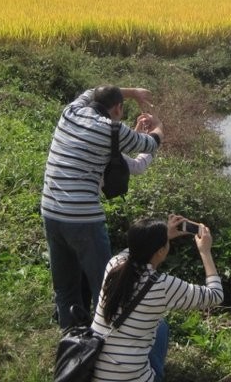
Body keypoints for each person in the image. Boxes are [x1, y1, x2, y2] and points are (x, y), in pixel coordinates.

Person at [41, 85, 164, 329]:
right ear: (118, 109)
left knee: (65, 289)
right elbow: (150, 144)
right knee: (105, 288)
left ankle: (71, 344)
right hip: (83, 219)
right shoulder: (112, 131)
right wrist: (159, 125)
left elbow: (91, 90)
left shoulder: (71, 111)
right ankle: (104, 344)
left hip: (51, 212)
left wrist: (130, 92)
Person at [91, 215, 223, 382]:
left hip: (93, 372)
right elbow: (215, 295)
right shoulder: (162, 286)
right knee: (160, 327)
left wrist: (162, 235)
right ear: (161, 251)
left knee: (160, 326)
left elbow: (135, 250)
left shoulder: (114, 265)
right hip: (131, 379)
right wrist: (205, 251)